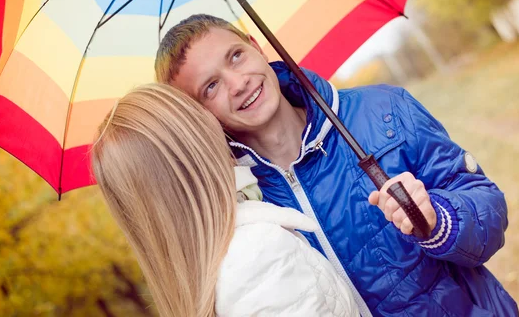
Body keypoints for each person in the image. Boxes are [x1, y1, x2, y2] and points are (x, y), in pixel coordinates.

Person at [154, 14, 519, 316]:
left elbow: (488, 207)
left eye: (235, 56)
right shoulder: (228, 206)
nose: (237, 83)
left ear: (255, 46)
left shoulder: (385, 109)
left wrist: (437, 219)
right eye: (211, 87)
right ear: (198, 114)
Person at [90, 84, 359, 317]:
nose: (211, 116)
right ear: (191, 143)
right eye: (194, 109)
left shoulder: (204, 268)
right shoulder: (256, 254)